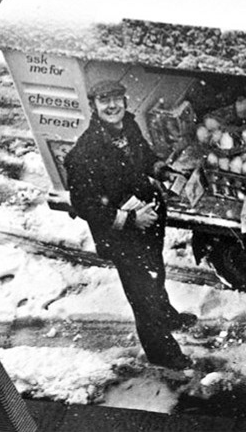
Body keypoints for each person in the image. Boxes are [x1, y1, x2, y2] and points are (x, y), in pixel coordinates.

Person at [65, 78, 197, 369]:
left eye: (116, 99)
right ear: (93, 107)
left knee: (155, 273)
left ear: (124, 101)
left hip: (147, 221)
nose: (112, 105)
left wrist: (159, 169)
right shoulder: (85, 153)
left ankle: (167, 316)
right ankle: (163, 355)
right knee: (142, 295)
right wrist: (129, 220)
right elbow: (85, 204)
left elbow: (144, 156)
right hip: (122, 235)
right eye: (104, 100)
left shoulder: (128, 126)